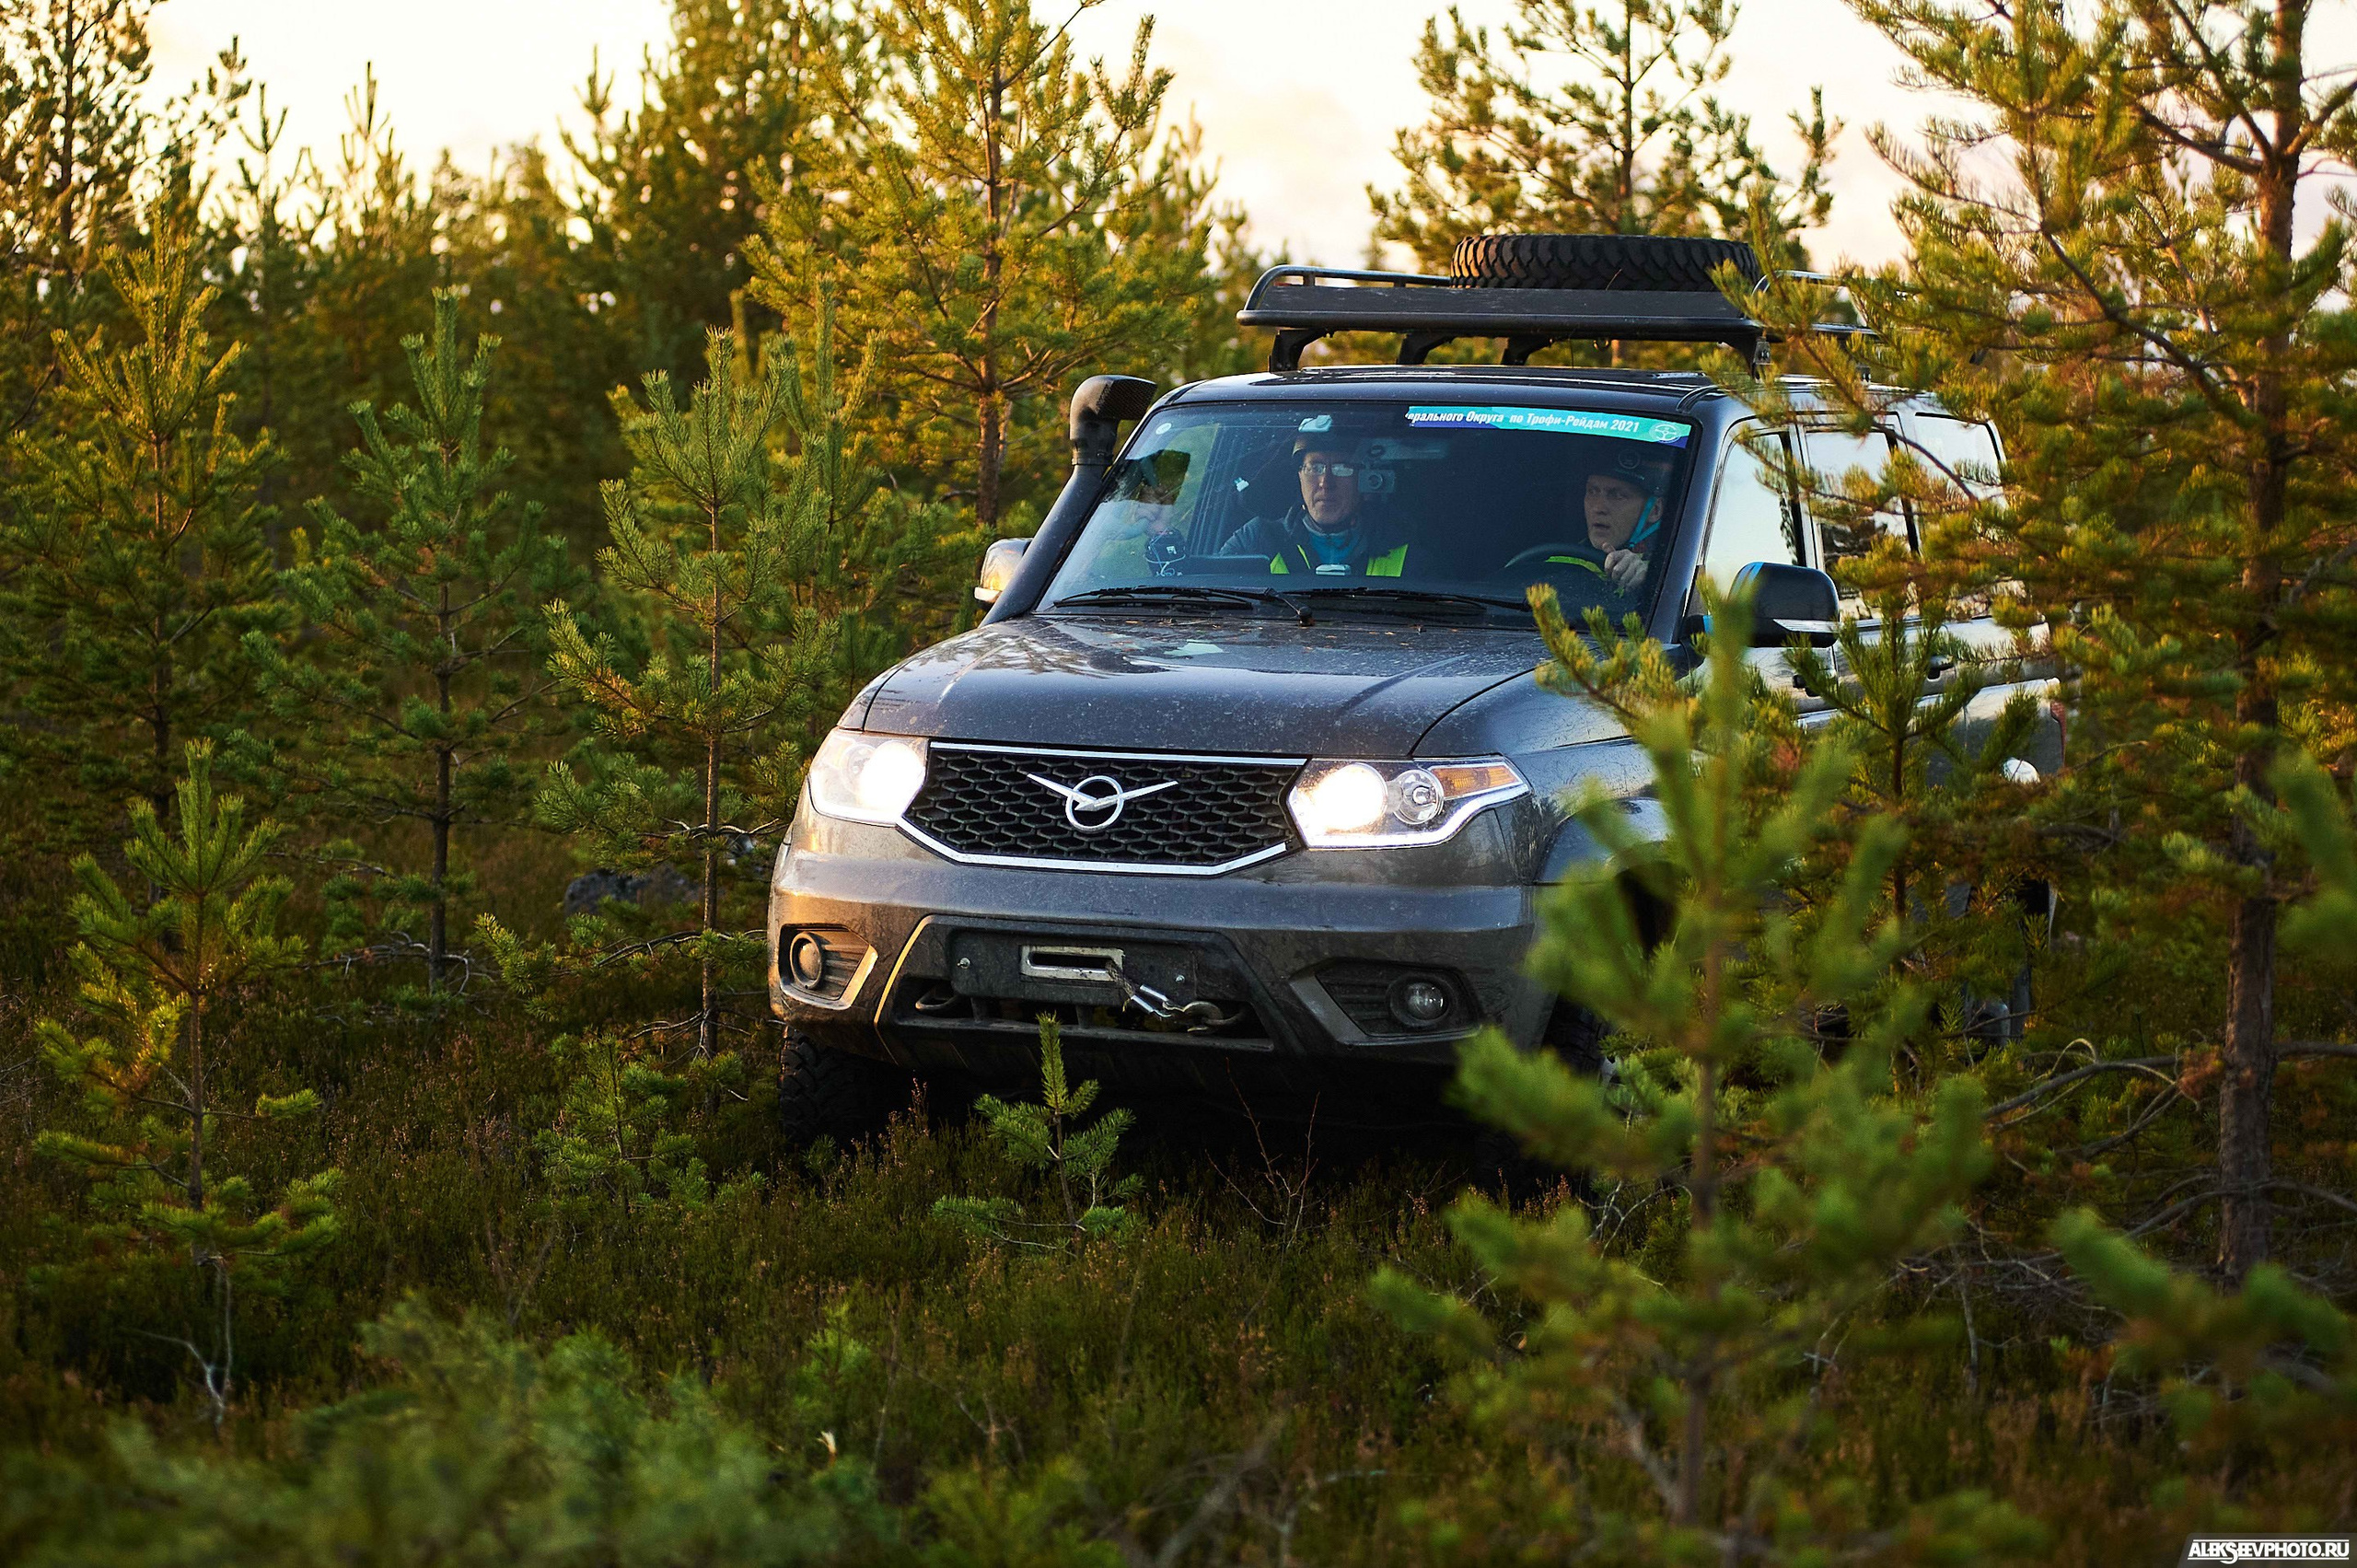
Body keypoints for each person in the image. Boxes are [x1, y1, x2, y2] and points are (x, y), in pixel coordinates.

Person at [1217, 427, 1411, 576]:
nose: (1325, 483)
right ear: (1299, 475)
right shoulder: (1256, 540)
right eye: (1314, 468)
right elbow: (1216, 598)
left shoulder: (1399, 543)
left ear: (1364, 478)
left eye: (1342, 468)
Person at [1539, 449, 1674, 592]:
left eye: (1618, 496)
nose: (1598, 508)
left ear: (1655, 510)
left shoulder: (1674, 569)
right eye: (1592, 491)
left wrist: (1650, 582)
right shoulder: (1557, 562)